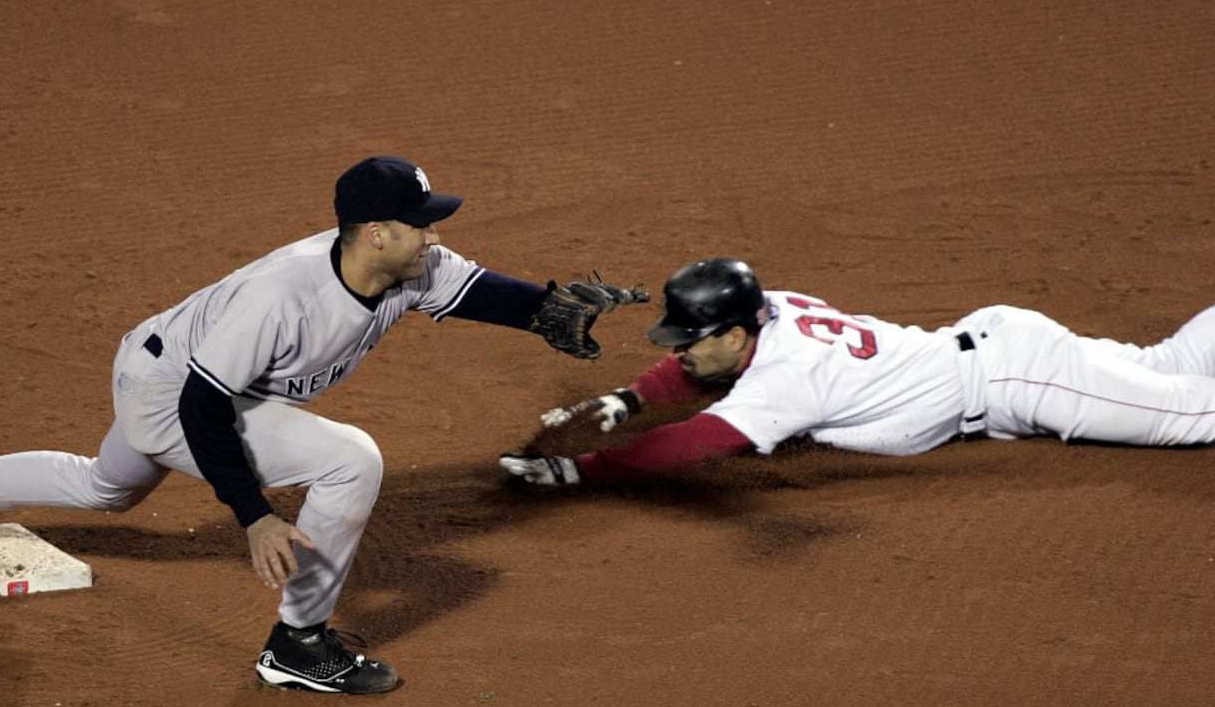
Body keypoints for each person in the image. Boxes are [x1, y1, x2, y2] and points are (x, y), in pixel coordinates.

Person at [0, 155, 646, 695]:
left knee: (106, 489)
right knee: (351, 461)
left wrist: (543, 309)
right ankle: (299, 645)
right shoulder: (283, 296)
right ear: (376, 232)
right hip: (172, 391)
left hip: (185, 373)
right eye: (420, 223)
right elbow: (204, 408)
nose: (434, 234)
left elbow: (478, 292)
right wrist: (255, 515)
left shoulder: (408, 267)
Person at [500, 257, 1215, 487]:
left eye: (693, 337)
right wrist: (630, 396)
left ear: (739, 329)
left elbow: (697, 442)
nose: (680, 350)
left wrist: (584, 469)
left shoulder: (789, 380)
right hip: (1001, 348)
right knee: (1170, 367)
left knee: (1195, 416)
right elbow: (698, 369)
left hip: (1022, 379)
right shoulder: (771, 309)